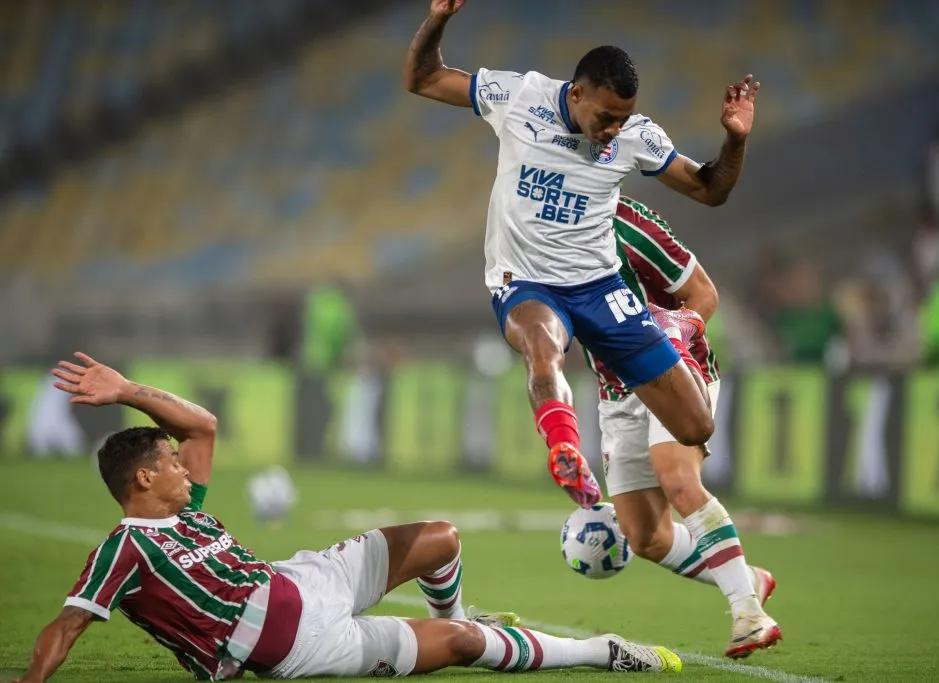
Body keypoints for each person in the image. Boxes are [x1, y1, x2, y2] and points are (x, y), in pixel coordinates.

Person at [15, 353, 682, 682]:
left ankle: (454, 611)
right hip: (297, 647)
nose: (187, 468)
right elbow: (65, 625)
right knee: (464, 648)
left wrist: (129, 391)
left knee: (441, 538)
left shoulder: (188, 512)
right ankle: (604, 650)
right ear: (144, 478)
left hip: (304, 580)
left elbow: (203, 424)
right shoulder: (125, 547)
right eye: (172, 462)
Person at [404, 0, 758, 508]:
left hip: (601, 287)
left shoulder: (635, 135)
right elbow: (424, 79)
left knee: (696, 422)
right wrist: (438, 19)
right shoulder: (520, 96)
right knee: (543, 345)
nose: (614, 128)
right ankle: (566, 452)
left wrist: (735, 141)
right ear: (576, 94)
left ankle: (666, 339)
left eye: (623, 118)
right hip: (525, 281)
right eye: (607, 116)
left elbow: (710, 190)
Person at [588, 197, 781, 658]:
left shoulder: (626, 225)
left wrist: (678, 326)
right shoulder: (542, 240)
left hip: (672, 370)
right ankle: (747, 576)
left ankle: (749, 613)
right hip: (617, 392)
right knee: (646, 537)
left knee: (676, 476)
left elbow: (704, 294)